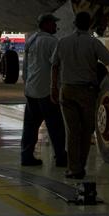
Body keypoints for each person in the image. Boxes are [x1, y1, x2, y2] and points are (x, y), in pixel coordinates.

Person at [51, 11, 109, 180]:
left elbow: (54, 66)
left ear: (74, 23)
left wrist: (54, 88)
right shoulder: (93, 43)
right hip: (86, 92)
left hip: (66, 90)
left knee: (72, 132)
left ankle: (73, 168)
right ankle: (79, 167)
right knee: (86, 132)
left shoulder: (62, 42)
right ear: (89, 24)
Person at [20, 13, 67, 168]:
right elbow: (57, 66)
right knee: (56, 126)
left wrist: (27, 85)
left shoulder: (31, 40)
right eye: (53, 24)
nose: (55, 26)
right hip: (46, 91)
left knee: (30, 126)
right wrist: (59, 87)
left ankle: (26, 156)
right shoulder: (52, 42)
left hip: (31, 90)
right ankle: (60, 157)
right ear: (46, 24)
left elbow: (25, 67)